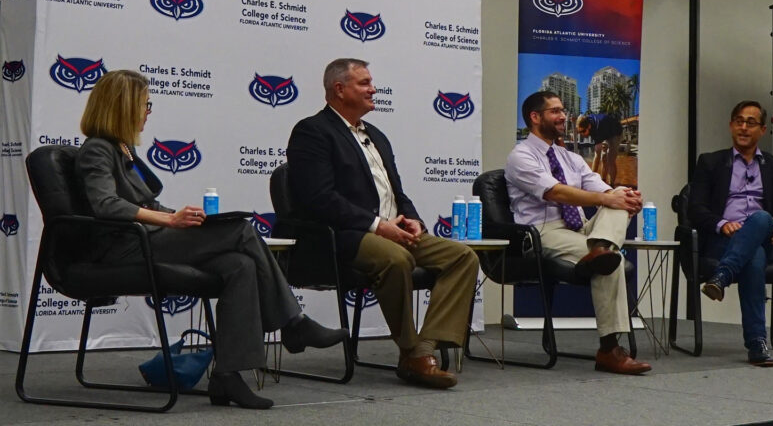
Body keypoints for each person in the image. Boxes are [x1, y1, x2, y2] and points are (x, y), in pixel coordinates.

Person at [75, 70, 345, 410]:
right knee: (243, 231)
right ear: (124, 106)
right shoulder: (97, 150)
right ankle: (294, 324)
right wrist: (169, 220)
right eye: (145, 104)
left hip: (150, 238)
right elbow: (106, 204)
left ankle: (228, 376)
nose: (148, 111)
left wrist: (182, 218)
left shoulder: (124, 149)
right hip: (126, 247)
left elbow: (147, 203)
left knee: (240, 264)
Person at [286, 58, 478, 389]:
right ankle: (412, 352)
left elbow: (396, 191)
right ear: (339, 89)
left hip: (392, 228)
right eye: (364, 83)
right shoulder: (312, 131)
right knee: (397, 258)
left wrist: (414, 220)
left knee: (462, 257)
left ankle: (425, 347)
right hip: (344, 235)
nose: (373, 89)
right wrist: (378, 225)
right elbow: (320, 199)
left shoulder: (376, 135)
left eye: (371, 82)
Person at [505, 91, 651, 375]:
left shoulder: (569, 157)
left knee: (618, 192)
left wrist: (625, 197)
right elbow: (555, 192)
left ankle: (601, 248)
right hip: (543, 231)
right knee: (614, 260)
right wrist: (607, 200)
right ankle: (609, 349)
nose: (563, 116)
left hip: (581, 228)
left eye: (563, 110)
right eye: (555, 111)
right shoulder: (520, 156)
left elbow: (599, 187)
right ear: (535, 118)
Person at [688, 100, 773, 367]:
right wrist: (721, 223)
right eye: (739, 121)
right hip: (723, 240)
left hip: (764, 234)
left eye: (750, 123)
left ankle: (723, 276)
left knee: (760, 218)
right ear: (730, 126)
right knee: (755, 257)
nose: (743, 127)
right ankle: (757, 343)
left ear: (762, 130)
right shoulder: (710, 162)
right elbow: (695, 208)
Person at [576, 112, 623, 186]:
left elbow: (596, 156)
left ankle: (611, 185)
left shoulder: (597, 128)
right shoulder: (587, 123)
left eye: (583, 131)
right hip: (605, 132)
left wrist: (589, 181)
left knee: (610, 160)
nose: (582, 134)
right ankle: (603, 180)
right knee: (604, 158)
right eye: (579, 132)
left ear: (589, 126)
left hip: (615, 133)